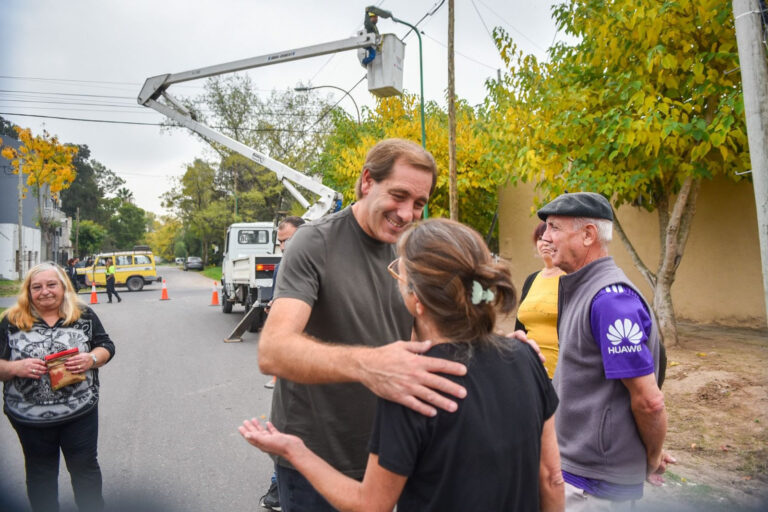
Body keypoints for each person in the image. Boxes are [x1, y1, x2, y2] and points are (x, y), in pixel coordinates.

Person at [241, 218, 564, 511]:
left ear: (417, 300)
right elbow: (551, 479)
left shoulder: (409, 380)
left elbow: (370, 505)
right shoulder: (526, 358)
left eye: (400, 273)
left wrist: (295, 449)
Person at [256, 138, 470, 512]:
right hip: (317, 458)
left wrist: (497, 348)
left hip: (391, 455)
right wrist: (369, 365)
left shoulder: (412, 250)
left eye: (419, 204)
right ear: (367, 181)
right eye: (399, 196)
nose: (407, 214)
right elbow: (273, 350)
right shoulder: (313, 242)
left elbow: (431, 331)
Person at [536, 192, 674, 509]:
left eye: (554, 227)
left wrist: (651, 457)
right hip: (577, 471)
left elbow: (649, 400)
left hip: (593, 487)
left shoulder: (610, 300)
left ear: (588, 235)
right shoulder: (582, 286)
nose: (545, 237)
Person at [0, 262, 115, 512]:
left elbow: (106, 346)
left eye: (51, 285)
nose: (45, 291)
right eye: (37, 287)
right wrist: (14, 368)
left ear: (63, 286)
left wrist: (91, 358)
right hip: (29, 418)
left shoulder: (82, 314)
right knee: (40, 473)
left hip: (80, 413)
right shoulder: (11, 320)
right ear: (28, 291)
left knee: (85, 468)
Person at [260, 215, 306, 512]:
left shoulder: (315, 262)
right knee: (288, 422)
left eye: (286, 241)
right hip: (291, 363)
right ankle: (279, 486)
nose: (282, 247)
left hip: (309, 360)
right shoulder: (282, 268)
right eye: (280, 242)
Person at [515, 221, 565, 378]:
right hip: (528, 371)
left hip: (559, 374)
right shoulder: (532, 279)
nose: (544, 243)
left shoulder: (569, 278)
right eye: (540, 238)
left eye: (549, 239)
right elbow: (519, 329)